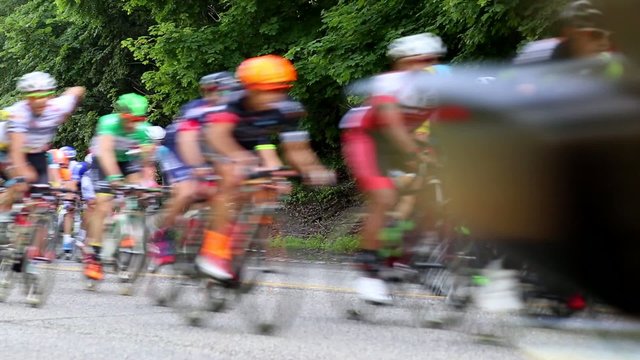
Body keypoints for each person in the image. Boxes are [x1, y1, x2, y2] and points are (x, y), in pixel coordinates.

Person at [194, 55, 333, 280]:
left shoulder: (287, 109)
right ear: (250, 89)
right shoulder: (233, 103)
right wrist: (237, 159)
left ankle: (241, 244)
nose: (275, 96)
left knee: (266, 185)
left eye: (281, 89)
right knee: (231, 179)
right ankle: (213, 253)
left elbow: (297, 149)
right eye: (267, 90)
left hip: (252, 143)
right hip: (218, 140)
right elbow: (218, 137)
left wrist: (314, 170)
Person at [340, 33, 445, 304]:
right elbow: (391, 124)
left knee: (434, 195)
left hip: (403, 142)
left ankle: (406, 259)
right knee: (384, 196)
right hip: (367, 138)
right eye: (418, 61)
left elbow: (439, 127)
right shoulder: (388, 83)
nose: (425, 66)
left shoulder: (437, 87)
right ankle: (369, 272)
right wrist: (414, 152)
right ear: (401, 63)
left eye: (432, 60)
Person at [84, 93, 152, 281]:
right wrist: (114, 178)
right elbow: (105, 153)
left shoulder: (142, 129)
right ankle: (94, 256)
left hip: (127, 161)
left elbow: (146, 161)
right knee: (104, 204)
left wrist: (146, 183)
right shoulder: (108, 123)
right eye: (130, 120)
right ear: (122, 115)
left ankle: (128, 228)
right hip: (104, 161)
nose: (134, 125)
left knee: (137, 192)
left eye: (138, 120)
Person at [1, 72, 85, 209]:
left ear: (51, 95)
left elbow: (77, 90)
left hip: (35, 152)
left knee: (42, 200)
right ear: (26, 98)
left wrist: (69, 111)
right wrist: (22, 175)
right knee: (21, 184)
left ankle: (35, 226)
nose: (39, 100)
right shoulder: (19, 114)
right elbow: (16, 152)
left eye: (43, 95)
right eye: (34, 96)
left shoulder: (59, 107)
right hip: (6, 150)